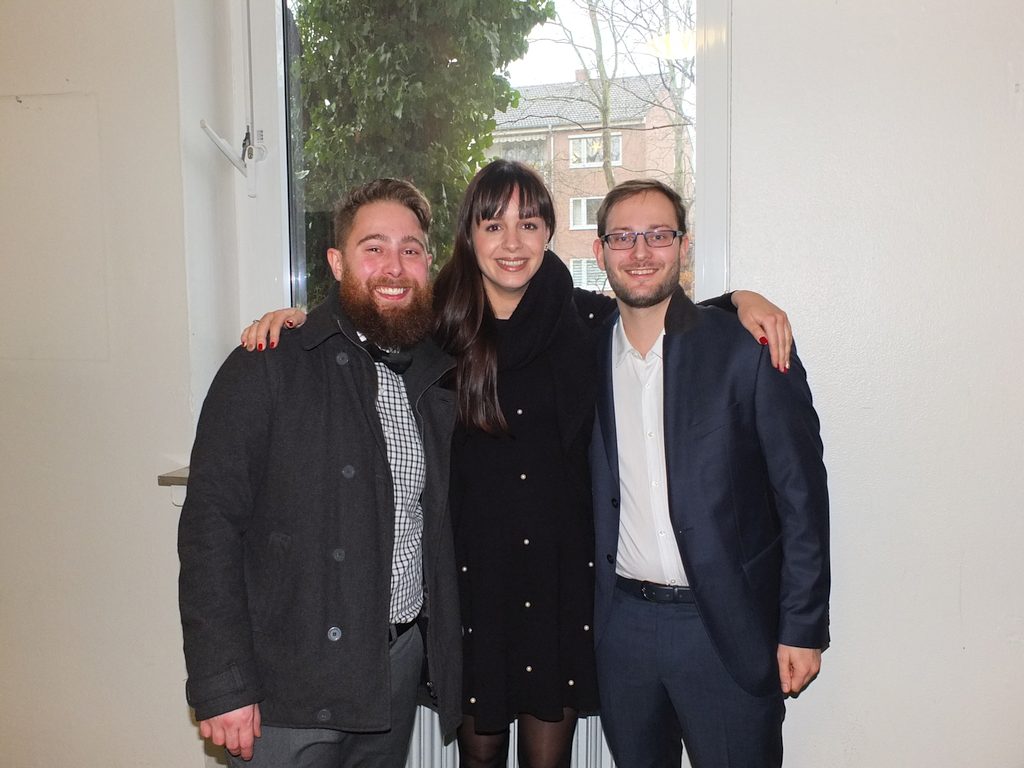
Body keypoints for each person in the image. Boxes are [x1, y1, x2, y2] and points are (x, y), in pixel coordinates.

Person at [242, 160, 794, 768]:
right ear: (469, 235)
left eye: (528, 225)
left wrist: (738, 299)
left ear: (549, 234)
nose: (512, 243)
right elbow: (368, 318)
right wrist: (297, 318)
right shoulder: (435, 328)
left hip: (559, 581)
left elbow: (653, 308)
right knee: (478, 759)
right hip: (470, 584)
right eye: (493, 225)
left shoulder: (586, 320)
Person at [177, 178, 462, 767]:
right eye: (373, 247)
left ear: (427, 264)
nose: (394, 266)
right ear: (336, 262)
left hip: (394, 666)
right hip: (288, 682)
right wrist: (223, 683)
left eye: (410, 249)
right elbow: (209, 529)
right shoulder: (269, 363)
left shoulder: (436, 375)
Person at [588, 178, 830, 768]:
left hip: (724, 626)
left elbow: (801, 494)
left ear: (684, 245)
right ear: (599, 251)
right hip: (623, 629)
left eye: (658, 235)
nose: (640, 252)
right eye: (623, 237)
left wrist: (802, 626)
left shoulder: (748, 349)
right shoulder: (583, 353)